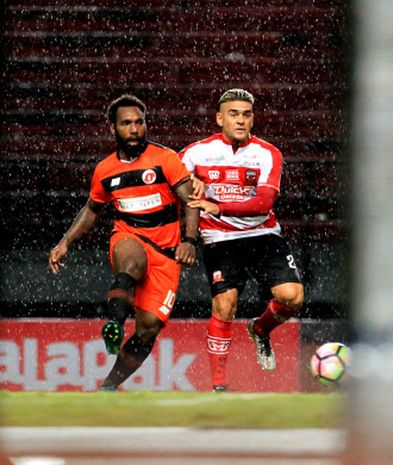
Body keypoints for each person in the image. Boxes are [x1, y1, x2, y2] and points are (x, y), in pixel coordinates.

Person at [48, 94, 199, 391]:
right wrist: (65, 241)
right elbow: (92, 209)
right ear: (113, 129)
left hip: (167, 254)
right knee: (131, 258)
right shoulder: (105, 170)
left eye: (139, 122)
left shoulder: (166, 159)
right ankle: (115, 323)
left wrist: (190, 240)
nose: (134, 129)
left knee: (148, 329)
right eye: (126, 123)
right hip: (130, 236)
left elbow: (191, 200)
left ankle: (108, 387)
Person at [181, 88, 304, 392]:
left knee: (293, 297)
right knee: (225, 305)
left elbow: (263, 205)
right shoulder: (195, 153)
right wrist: (188, 192)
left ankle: (260, 329)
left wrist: (218, 205)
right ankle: (219, 386)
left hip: (262, 234)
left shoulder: (268, 153)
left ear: (252, 119)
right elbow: (175, 188)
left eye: (246, 114)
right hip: (219, 238)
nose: (240, 120)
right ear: (219, 118)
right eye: (233, 114)